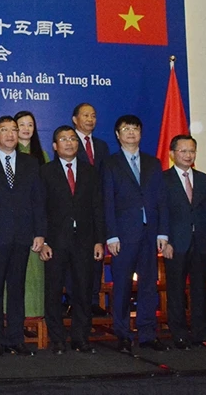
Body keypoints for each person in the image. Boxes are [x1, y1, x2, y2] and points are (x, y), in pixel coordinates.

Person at [0, 116, 45, 357]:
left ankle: (16, 338)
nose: (10, 134)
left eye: (14, 130)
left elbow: (38, 200)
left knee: (17, 289)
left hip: (23, 236)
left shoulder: (30, 163)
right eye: (4, 130)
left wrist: (40, 232)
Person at [102, 114, 169, 354]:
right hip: (122, 235)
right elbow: (107, 201)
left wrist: (163, 232)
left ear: (141, 133)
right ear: (118, 135)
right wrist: (111, 235)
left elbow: (161, 199)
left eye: (135, 128)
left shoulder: (153, 163)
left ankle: (148, 333)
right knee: (121, 286)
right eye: (126, 129)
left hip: (150, 234)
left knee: (149, 285)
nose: (131, 132)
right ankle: (122, 334)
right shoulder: (110, 163)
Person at [40, 126, 105, 355]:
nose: (69, 143)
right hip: (55, 242)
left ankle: (80, 337)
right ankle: (57, 339)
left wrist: (99, 240)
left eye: (72, 139)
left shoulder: (90, 172)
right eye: (63, 139)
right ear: (55, 146)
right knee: (54, 291)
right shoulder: (45, 172)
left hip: (85, 241)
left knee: (83, 291)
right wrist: (44, 240)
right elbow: (41, 209)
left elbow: (98, 207)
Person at [161, 135, 206, 350]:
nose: (188, 155)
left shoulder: (203, 179)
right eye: (183, 151)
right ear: (172, 154)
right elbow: (161, 212)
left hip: (200, 242)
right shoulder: (163, 179)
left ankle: (200, 334)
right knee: (175, 290)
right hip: (175, 243)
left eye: (192, 151)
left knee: (199, 290)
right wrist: (164, 240)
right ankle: (179, 334)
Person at [72, 102, 110, 317]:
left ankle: (94, 300)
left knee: (96, 255)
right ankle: (74, 300)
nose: (90, 119)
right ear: (75, 119)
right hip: (75, 211)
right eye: (85, 115)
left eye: (93, 115)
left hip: (97, 210)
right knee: (73, 258)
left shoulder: (102, 146)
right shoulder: (68, 141)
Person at [14, 110, 48, 320]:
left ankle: (34, 317)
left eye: (30, 125)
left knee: (34, 273)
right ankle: (15, 318)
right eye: (21, 125)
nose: (26, 129)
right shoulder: (6, 153)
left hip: (35, 223)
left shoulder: (42, 156)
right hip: (12, 224)